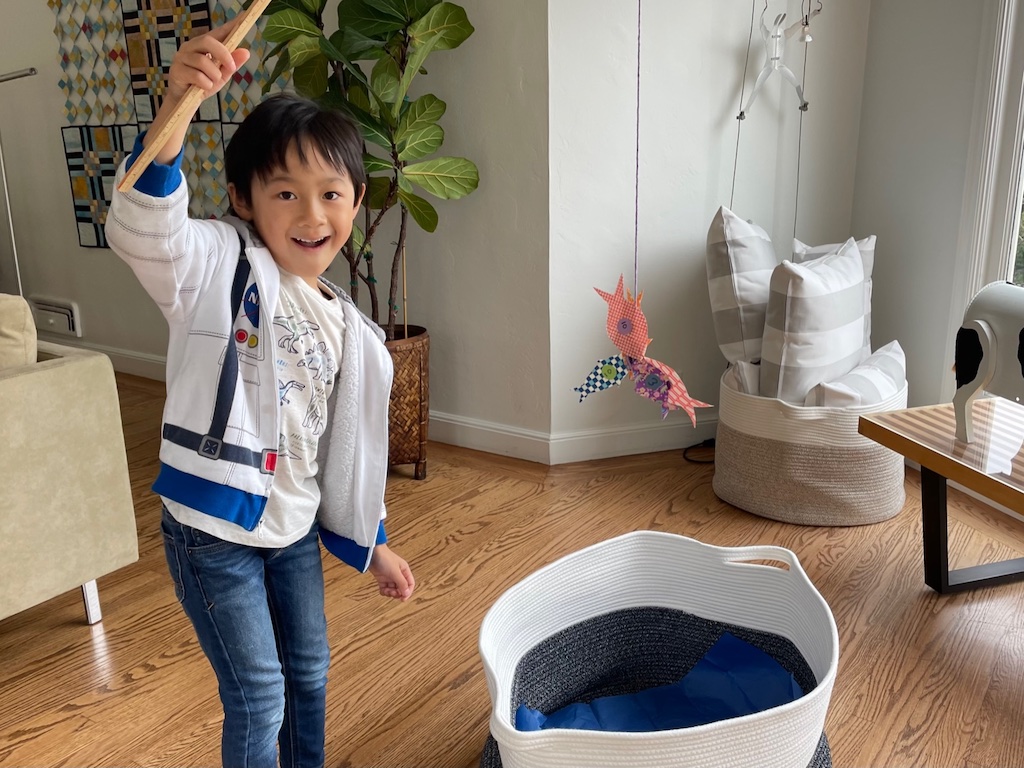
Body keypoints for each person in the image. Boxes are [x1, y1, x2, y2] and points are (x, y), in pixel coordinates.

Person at [105, 16, 415, 768]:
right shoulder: (216, 267)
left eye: (331, 194)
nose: (312, 216)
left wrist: (370, 542)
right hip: (214, 533)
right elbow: (147, 231)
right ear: (243, 200)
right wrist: (178, 105)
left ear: (356, 200)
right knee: (260, 693)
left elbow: (342, 452)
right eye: (285, 193)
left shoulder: (351, 329)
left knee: (309, 674)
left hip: (293, 528)